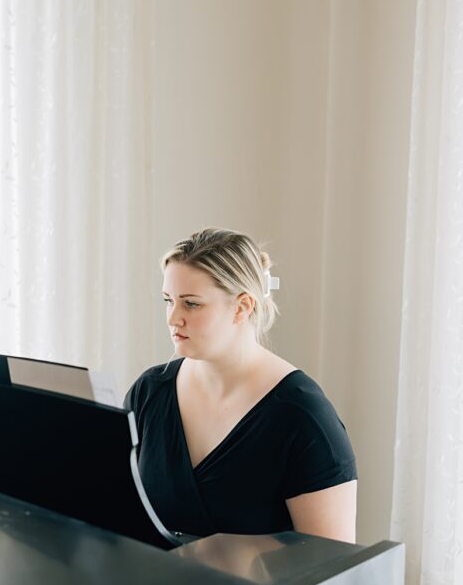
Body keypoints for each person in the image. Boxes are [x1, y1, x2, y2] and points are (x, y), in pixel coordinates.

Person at [124, 228, 357, 543]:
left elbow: (330, 570)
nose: (173, 318)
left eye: (191, 304)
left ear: (242, 307)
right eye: (169, 301)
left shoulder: (304, 417)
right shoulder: (149, 392)